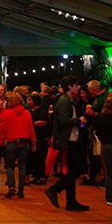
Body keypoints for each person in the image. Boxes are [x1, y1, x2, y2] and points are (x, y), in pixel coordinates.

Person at [44, 76, 91, 212]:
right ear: (70, 86)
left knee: (71, 170)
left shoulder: (67, 100)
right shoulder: (65, 101)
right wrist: (78, 120)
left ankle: (71, 201)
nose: (78, 87)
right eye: (76, 85)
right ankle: (55, 189)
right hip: (68, 140)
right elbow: (63, 121)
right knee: (78, 168)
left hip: (70, 139)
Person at [1, 92, 36, 199]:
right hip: (24, 142)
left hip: (11, 142)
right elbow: (31, 129)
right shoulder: (27, 113)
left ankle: (12, 188)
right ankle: (21, 190)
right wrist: (34, 142)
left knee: (9, 166)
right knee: (22, 166)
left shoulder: (7, 113)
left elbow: (4, 129)